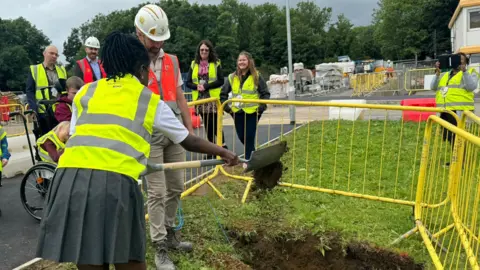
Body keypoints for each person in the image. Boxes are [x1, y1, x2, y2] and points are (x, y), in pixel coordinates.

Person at [35, 31, 239, 270]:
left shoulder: (85, 93)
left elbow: (78, 135)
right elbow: (188, 140)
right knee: (129, 260)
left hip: (68, 182)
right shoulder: (148, 100)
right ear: (142, 69)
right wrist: (225, 153)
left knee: (89, 256)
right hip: (114, 183)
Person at [134, 5, 195, 269]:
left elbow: (180, 94)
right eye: (153, 38)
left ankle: (170, 234)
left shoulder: (172, 60)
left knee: (176, 187)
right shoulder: (133, 62)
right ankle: (159, 246)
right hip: (150, 135)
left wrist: (189, 129)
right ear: (139, 33)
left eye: (161, 39)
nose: (158, 43)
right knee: (156, 192)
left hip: (175, 132)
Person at [220, 51, 270, 160]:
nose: (241, 62)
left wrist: (261, 109)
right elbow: (222, 94)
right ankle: (255, 157)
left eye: (244, 60)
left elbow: (265, 93)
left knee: (249, 137)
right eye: (240, 60)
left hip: (253, 112)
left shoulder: (256, 76)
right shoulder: (231, 77)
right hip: (237, 112)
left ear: (249, 62)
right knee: (242, 137)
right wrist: (228, 110)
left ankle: (248, 162)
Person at [186, 40, 228, 155]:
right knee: (207, 126)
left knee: (215, 124)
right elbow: (188, 82)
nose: (204, 51)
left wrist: (206, 86)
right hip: (200, 99)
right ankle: (212, 150)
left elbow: (220, 80)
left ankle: (223, 147)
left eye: (206, 50)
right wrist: (196, 87)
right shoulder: (194, 64)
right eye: (202, 50)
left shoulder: (216, 63)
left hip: (212, 99)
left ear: (210, 51)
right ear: (199, 51)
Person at [431, 52, 479, 146]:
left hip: (460, 112)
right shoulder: (445, 74)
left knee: (460, 138)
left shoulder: (470, 72)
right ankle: (455, 159)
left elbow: (471, 87)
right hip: (445, 111)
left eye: (461, 60)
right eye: (456, 59)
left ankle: (462, 160)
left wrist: (464, 71)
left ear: (465, 63)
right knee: (451, 137)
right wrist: (437, 74)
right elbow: (433, 87)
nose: (458, 61)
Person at [26, 45, 67, 135]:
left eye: (56, 55)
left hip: (59, 110)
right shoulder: (35, 69)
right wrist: (33, 109)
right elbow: (30, 91)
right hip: (42, 111)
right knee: (43, 139)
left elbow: (65, 90)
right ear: (44, 54)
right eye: (51, 53)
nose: (54, 56)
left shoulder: (62, 70)